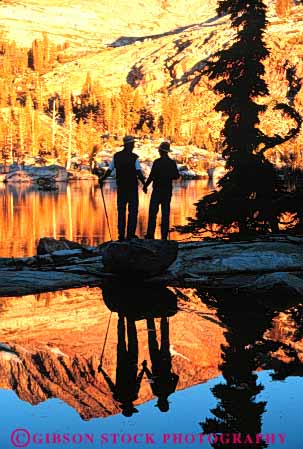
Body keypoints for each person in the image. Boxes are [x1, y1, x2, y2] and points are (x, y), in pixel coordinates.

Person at [100, 135, 145, 241]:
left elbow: (110, 170)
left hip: (121, 188)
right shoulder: (134, 157)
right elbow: (138, 172)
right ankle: (130, 234)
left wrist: (102, 179)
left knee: (121, 211)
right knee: (133, 211)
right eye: (133, 144)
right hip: (132, 188)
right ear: (129, 145)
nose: (134, 146)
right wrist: (144, 184)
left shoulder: (116, 156)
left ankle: (121, 235)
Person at [144, 141, 179, 240]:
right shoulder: (172, 162)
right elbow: (176, 176)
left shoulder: (157, 162)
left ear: (160, 151)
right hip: (167, 191)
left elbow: (151, 176)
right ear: (167, 152)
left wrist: (145, 186)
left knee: (152, 213)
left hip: (157, 191)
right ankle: (164, 236)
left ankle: (150, 235)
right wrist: (168, 176)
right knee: (165, 213)